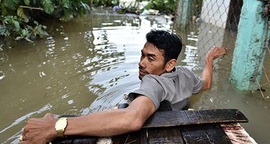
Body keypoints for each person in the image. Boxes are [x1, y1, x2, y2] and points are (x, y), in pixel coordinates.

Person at [19, 29, 227, 143]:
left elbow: (132, 119)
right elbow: (207, 84)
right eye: (142, 55)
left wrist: (57, 126)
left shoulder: (152, 83)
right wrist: (209, 59)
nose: (141, 63)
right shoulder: (186, 74)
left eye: (151, 59)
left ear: (170, 64)